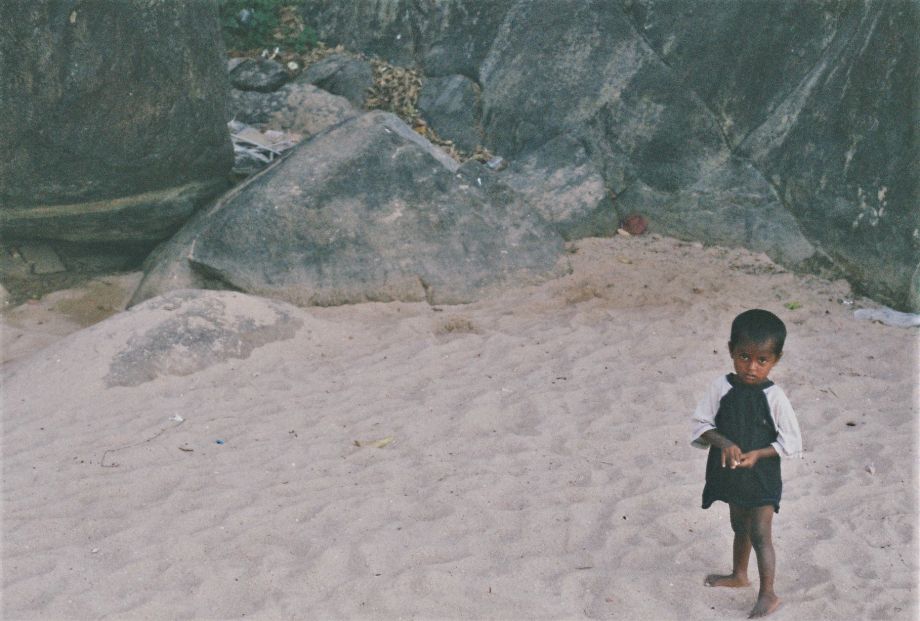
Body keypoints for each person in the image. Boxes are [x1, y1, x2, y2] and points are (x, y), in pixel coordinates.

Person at [690, 309, 802, 618]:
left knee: (760, 532)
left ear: (776, 359)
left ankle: (768, 594)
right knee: (739, 526)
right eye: (744, 357)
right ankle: (739, 575)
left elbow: (791, 441)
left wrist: (759, 454)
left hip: (761, 475)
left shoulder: (775, 397)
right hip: (730, 472)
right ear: (730, 350)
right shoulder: (721, 387)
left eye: (762, 360)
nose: (751, 367)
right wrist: (724, 442)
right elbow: (701, 424)